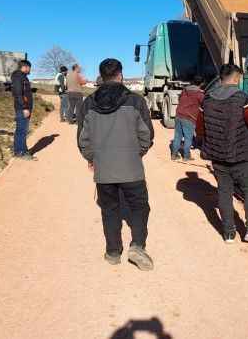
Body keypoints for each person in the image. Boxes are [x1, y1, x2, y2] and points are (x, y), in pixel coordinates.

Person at [78, 58, 155, 270]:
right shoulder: (135, 101)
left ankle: (113, 252)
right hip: (132, 168)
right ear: (120, 75)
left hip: (104, 171)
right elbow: (146, 135)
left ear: (102, 77)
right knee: (139, 208)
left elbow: (82, 139)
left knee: (110, 210)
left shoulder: (89, 103)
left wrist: (92, 158)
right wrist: (137, 153)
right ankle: (137, 245)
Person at [196, 64, 248, 244]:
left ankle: (228, 232)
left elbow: (200, 130)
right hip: (242, 156)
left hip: (218, 157)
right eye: (240, 79)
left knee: (224, 192)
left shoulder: (207, 99)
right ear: (236, 79)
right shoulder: (241, 98)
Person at [170, 75, 205, 161]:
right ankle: (186, 156)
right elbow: (204, 105)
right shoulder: (200, 94)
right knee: (188, 138)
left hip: (178, 115)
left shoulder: (185, 90)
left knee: (177, 136)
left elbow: (180, 99)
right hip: (189, 117)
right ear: (201, 84)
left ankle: (174, 155)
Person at [10, 60, 35, 160]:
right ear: (25, 67)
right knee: (21, 130)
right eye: (29, 67)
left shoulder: (23, 77)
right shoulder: (18, 77)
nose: (30, 70)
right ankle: (20, 152)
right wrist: (24, 107)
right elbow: (18, 94)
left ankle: (23, 150)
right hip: (22, 108)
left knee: (23, 130)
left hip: (25, 108)